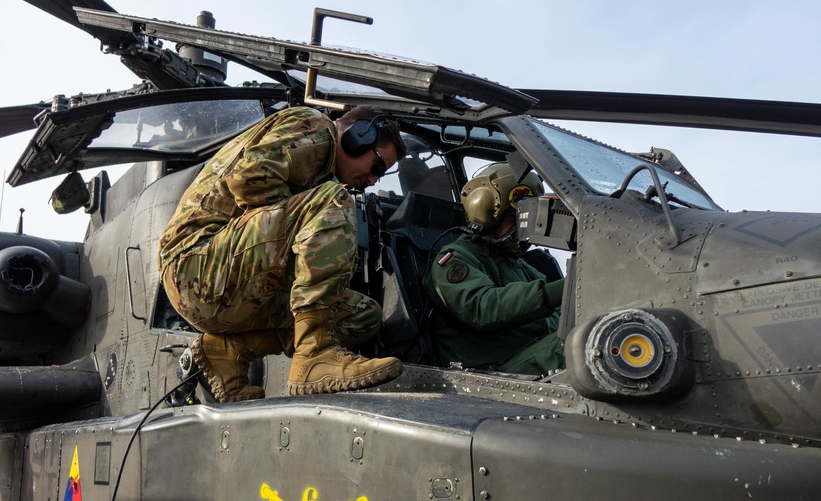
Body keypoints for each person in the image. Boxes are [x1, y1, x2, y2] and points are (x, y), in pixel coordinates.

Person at [158, 105, 407, 401]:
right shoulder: (316, 129)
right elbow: (247, 179)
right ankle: (315, 354)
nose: (372, 180)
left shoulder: (321, 169)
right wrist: (304, 229)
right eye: (377, 166)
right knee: (330, 202)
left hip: (227, 283)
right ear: (357, 136)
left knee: (362, 315)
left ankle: (226, 352)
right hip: (195, 267)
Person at [425, 162, 566, 376]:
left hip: (524, 358)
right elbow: (484, 308)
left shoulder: (517, 263)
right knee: (579, 344)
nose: (523, 229)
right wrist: (565, 289)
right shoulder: (454, 260)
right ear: (486, 214)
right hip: (489, 373)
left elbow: (555, 316)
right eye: (516, 219)